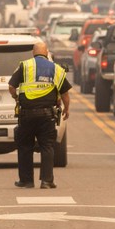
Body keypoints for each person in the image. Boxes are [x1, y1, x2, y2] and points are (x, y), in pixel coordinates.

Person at [8, 41, 71, 189]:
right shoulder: (56, 69)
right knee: (47, 146)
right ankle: (47, 181)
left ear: (33, 52)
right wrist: (66, 109)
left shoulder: (24, 66)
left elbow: (11, 87)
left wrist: (16, 98)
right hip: (47, 115)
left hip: (27, 115)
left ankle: (26, 181)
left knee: (25, 147)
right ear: (47, 52)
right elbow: (65, 94)